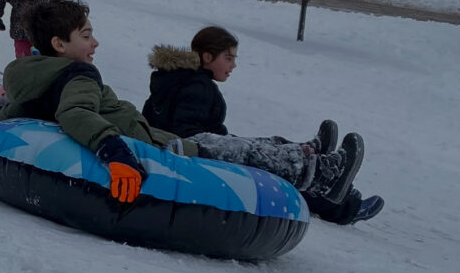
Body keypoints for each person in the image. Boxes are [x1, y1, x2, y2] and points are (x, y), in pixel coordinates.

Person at [0, 0, 364, 206]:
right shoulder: (78, 75)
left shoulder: (33, 77)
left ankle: (307, 152)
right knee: (237, 153)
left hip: (153, 138)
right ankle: (322, 174)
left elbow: (11, 112)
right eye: (86, 35)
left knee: (235, 145)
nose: (95, 43)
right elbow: (76, 113)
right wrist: (114, 154)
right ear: (59, 45)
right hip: (159, 148)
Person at [143, 27, 385, 224]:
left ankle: (308, 151)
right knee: (272, 172)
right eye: (228, 58)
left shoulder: (173, 79)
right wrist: (225, 144)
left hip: (190, 150)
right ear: (207, 57)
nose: (233, 65)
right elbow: (189, 135)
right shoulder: (197, 87)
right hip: (194, 159)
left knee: (266, 147)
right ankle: (343, 205)